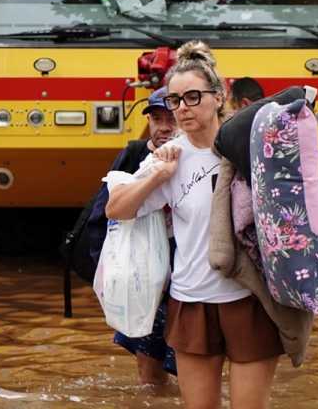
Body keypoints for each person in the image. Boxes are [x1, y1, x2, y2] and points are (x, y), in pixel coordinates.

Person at [106, 41, 284, 409]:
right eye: (174, 101)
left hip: (249, 296)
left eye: (192, 97)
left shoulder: (248, 142)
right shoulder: (170, 155)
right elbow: (116, 208)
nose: (182, 108)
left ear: (218, 97)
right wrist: (159, 178)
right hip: (191, 302)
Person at [108, 87, 178, 386]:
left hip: (190, 276)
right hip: (146, 276)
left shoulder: (207, 157)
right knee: (149, 377)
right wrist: (158, 175)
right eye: (156, 118)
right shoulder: (138, 157)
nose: (163, 127)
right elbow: (111, 211)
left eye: (170, 118)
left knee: (195, 370)